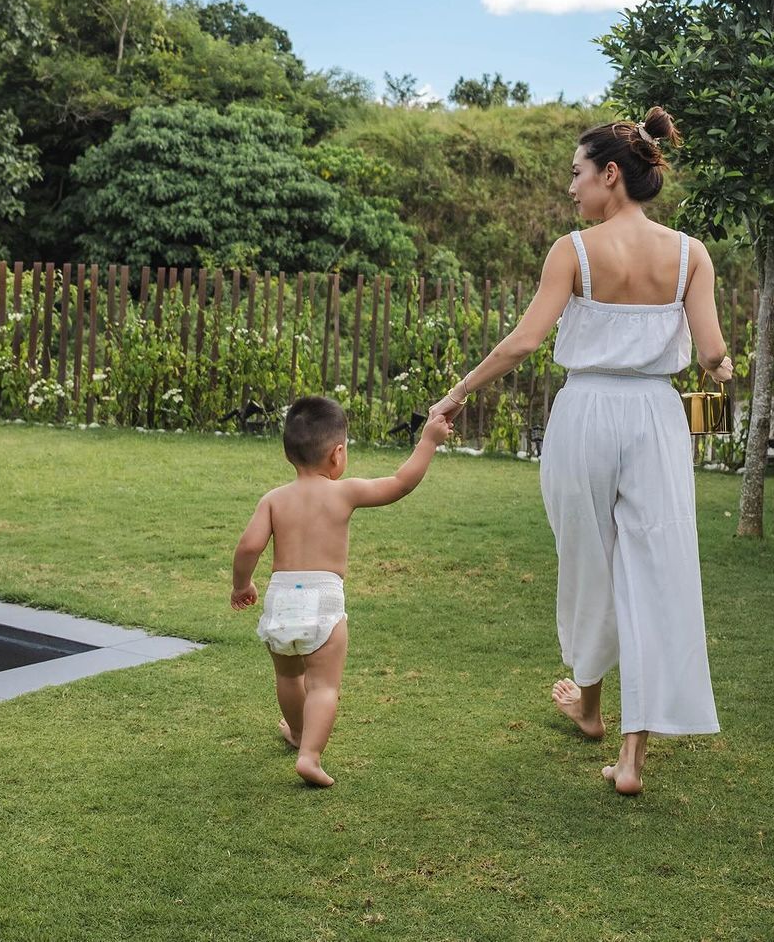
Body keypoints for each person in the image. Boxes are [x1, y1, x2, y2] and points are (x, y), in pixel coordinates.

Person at [429, 107, 732, 795]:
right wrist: (721, 371)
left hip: (587, 412)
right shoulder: (691, 255)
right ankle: (628, 754)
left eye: (577, 173)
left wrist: (458, 392)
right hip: (656, 415)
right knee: (655, 571)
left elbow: (524, 342)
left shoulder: (573, 251)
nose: (571, 188)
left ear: (610, 174)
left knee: (589, 561)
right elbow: (712, 352)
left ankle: (591, 704)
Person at [230, 395, 452, 788]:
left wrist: (242, 585)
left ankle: (298, 731)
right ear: (337, 454)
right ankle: (309, 755)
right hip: (323, 597)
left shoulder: (274, 500)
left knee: (288, 676)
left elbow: (248, 547)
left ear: (288, 453)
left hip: (281, 598)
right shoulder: (344, 492)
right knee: (323, 685)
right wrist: (428, 441)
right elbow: (400, 484)